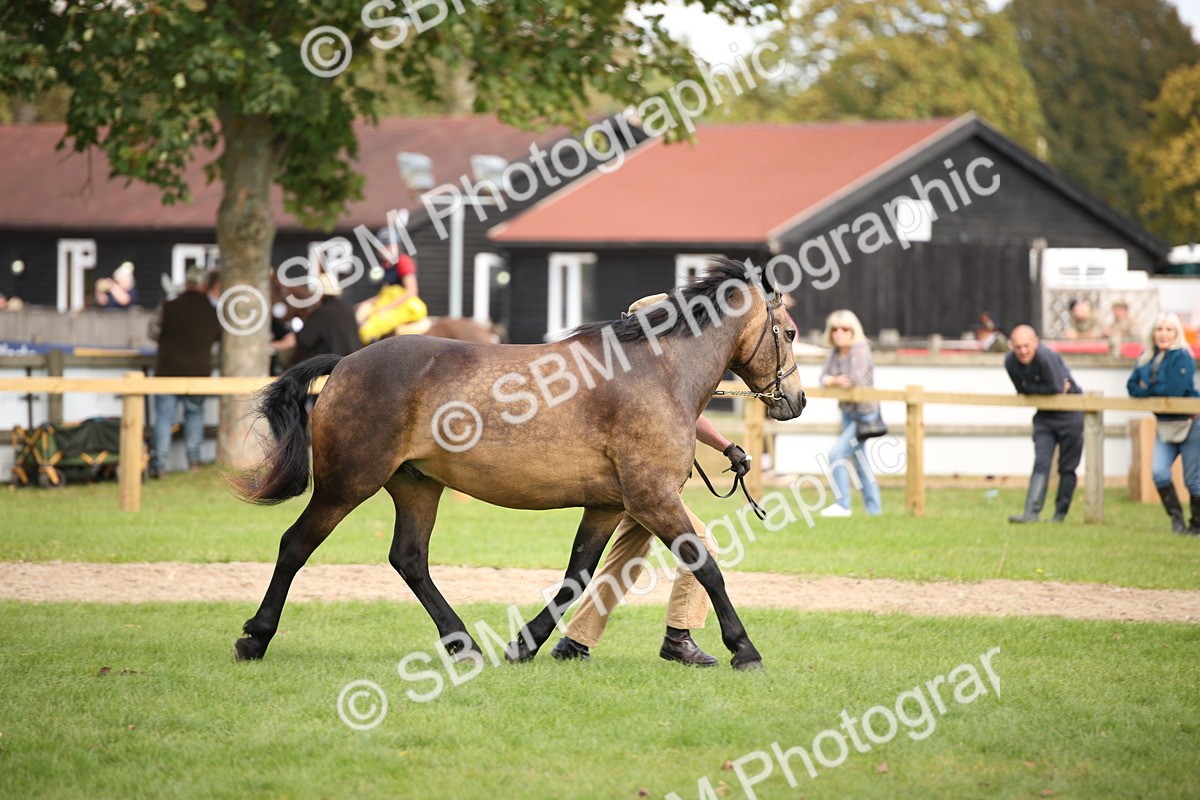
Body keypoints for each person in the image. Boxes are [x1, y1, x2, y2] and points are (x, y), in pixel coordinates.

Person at [549, 295, 752, 667]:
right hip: (645, 487)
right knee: (701, 543)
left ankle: (575, 641)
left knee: (623, 560)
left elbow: (688, 419)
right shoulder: (642, 378)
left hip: (633, 489)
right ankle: (679, 635)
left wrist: (726, 447)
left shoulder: (655, 375)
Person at [1126, 313, 1200, 535]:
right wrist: (1152, 391)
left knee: (1193, 479)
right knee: (1159, 473)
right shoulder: (1147, 357)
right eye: (1160, 329)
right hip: (1164, 424)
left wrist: (1148, 390)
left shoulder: (1183, 356)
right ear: (1153, 333)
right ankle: (1176, 519)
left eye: (1169, 329)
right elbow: (1131, 387)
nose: (1164, 334)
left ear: (1176, 333)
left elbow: (1174, 391)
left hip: (1190, 423)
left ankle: (1196, 525)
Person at [1005, 325, 1084, 523]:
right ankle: (1031, 513)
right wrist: (1042, 388)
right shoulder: (1010, 362)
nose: (1023, 351)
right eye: (1018, 347)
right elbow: (1022, 391)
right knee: (1041, 463)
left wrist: (1032, 387)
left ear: (1036, 342)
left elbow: (1056, 388)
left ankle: (1060, 515)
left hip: (1070, 414)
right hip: (1045, 417)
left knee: (1067, 466)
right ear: (1011, 347)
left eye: (1026, 346)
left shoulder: (1046, 357)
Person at [149, 264, 221, 477]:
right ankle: (194, 462)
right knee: (195, 415)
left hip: (167, 371)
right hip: (199, 372)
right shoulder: (213, 312)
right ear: (205, 285)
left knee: (163, 417)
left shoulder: (168, 306)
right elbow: (218, 337)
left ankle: (159, 465)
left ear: (188, 282)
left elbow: (153, 332)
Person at [818, 309, 882, 517]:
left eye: (845, 329)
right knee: (861, 463)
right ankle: (874, 511)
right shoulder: (835, 353)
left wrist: (832, 380)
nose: (839, 333)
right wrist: (834, 380)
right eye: (835, 329)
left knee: (836, 454)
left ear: (854, 330)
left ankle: (843, 505)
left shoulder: (861, 349)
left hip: (864, 415)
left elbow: (853, 379)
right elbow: (823, 379)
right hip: (847, 413)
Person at [356, 229, 427, 343]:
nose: (383, 249)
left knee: (369, 329)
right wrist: (367, 302)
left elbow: (412, 291)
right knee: (360, 314)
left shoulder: (403, 261)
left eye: (387, 246)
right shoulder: (386, 265)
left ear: (397, 246)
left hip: (404, 305)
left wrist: (388, 307)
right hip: (389, 302)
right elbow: (384, 293)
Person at [293, 273, 362, 361]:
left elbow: (305, 340)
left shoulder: (321, 312)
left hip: (332, 364)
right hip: (353, 360)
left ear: (320, 294)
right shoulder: (348, 309)